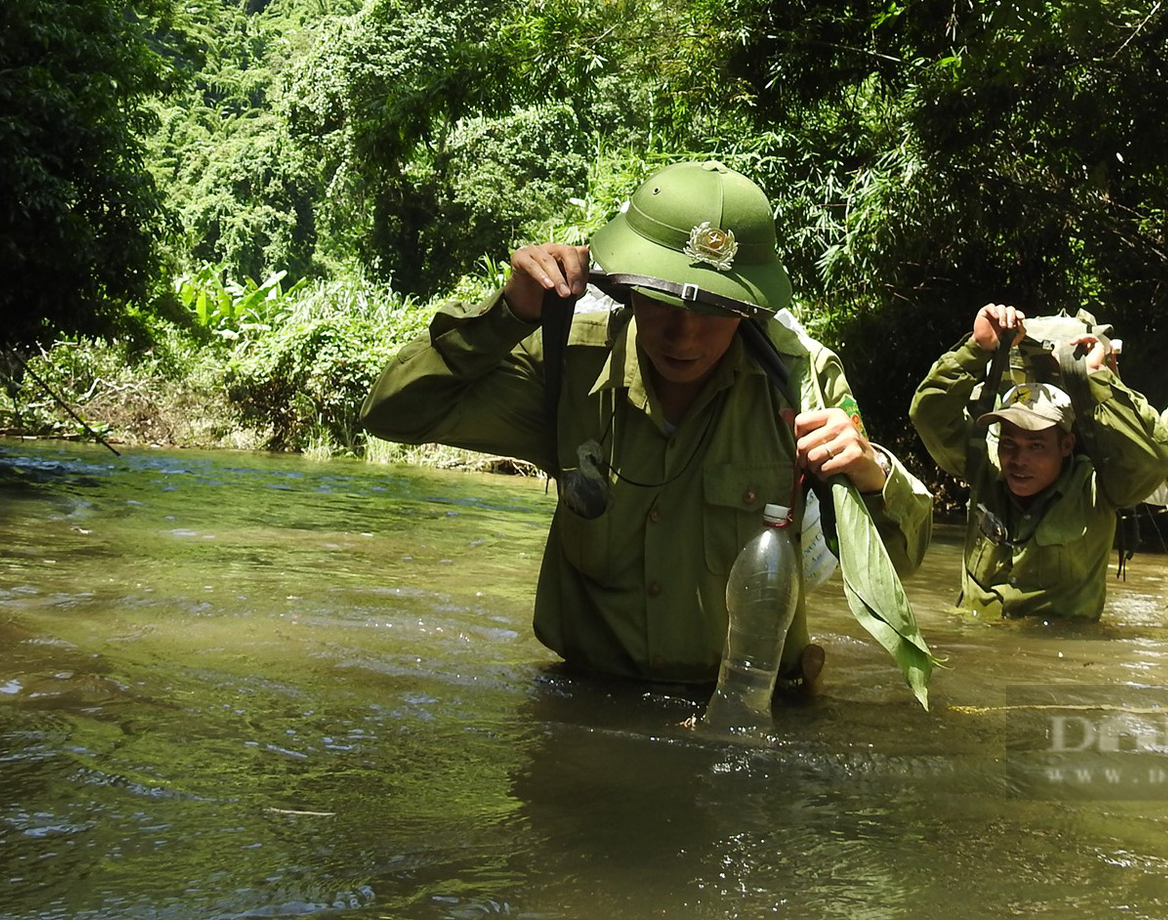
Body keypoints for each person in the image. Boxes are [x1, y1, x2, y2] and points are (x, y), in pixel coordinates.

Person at [359, 160, 932, 685]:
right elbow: (392, 412)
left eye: (715, 311)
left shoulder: (800, 384)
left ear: (752, 310)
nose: (685, 337)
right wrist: (510, 314)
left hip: (747, 717)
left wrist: (872, 473)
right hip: (585, 709)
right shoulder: (566, 364)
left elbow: (900, 563)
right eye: (663, 301)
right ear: (627, 286)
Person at [909, 304, 1168, 620]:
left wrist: (1094, 378)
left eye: (1036, 446)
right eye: (1009, 443)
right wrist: (978, 348)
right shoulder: (986, 470)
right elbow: (928, 414)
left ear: (1066, 445)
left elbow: (1159, 457)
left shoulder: (1098, 490)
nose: (1018, 459)